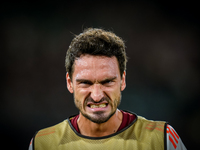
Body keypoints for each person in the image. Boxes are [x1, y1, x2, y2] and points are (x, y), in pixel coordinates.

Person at [28, 28, 187, 150]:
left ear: (123, 81)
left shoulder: (161, 139)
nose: (97, 96)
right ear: (69, 83)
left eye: (107, 82)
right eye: (86, 83)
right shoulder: (42, 143)